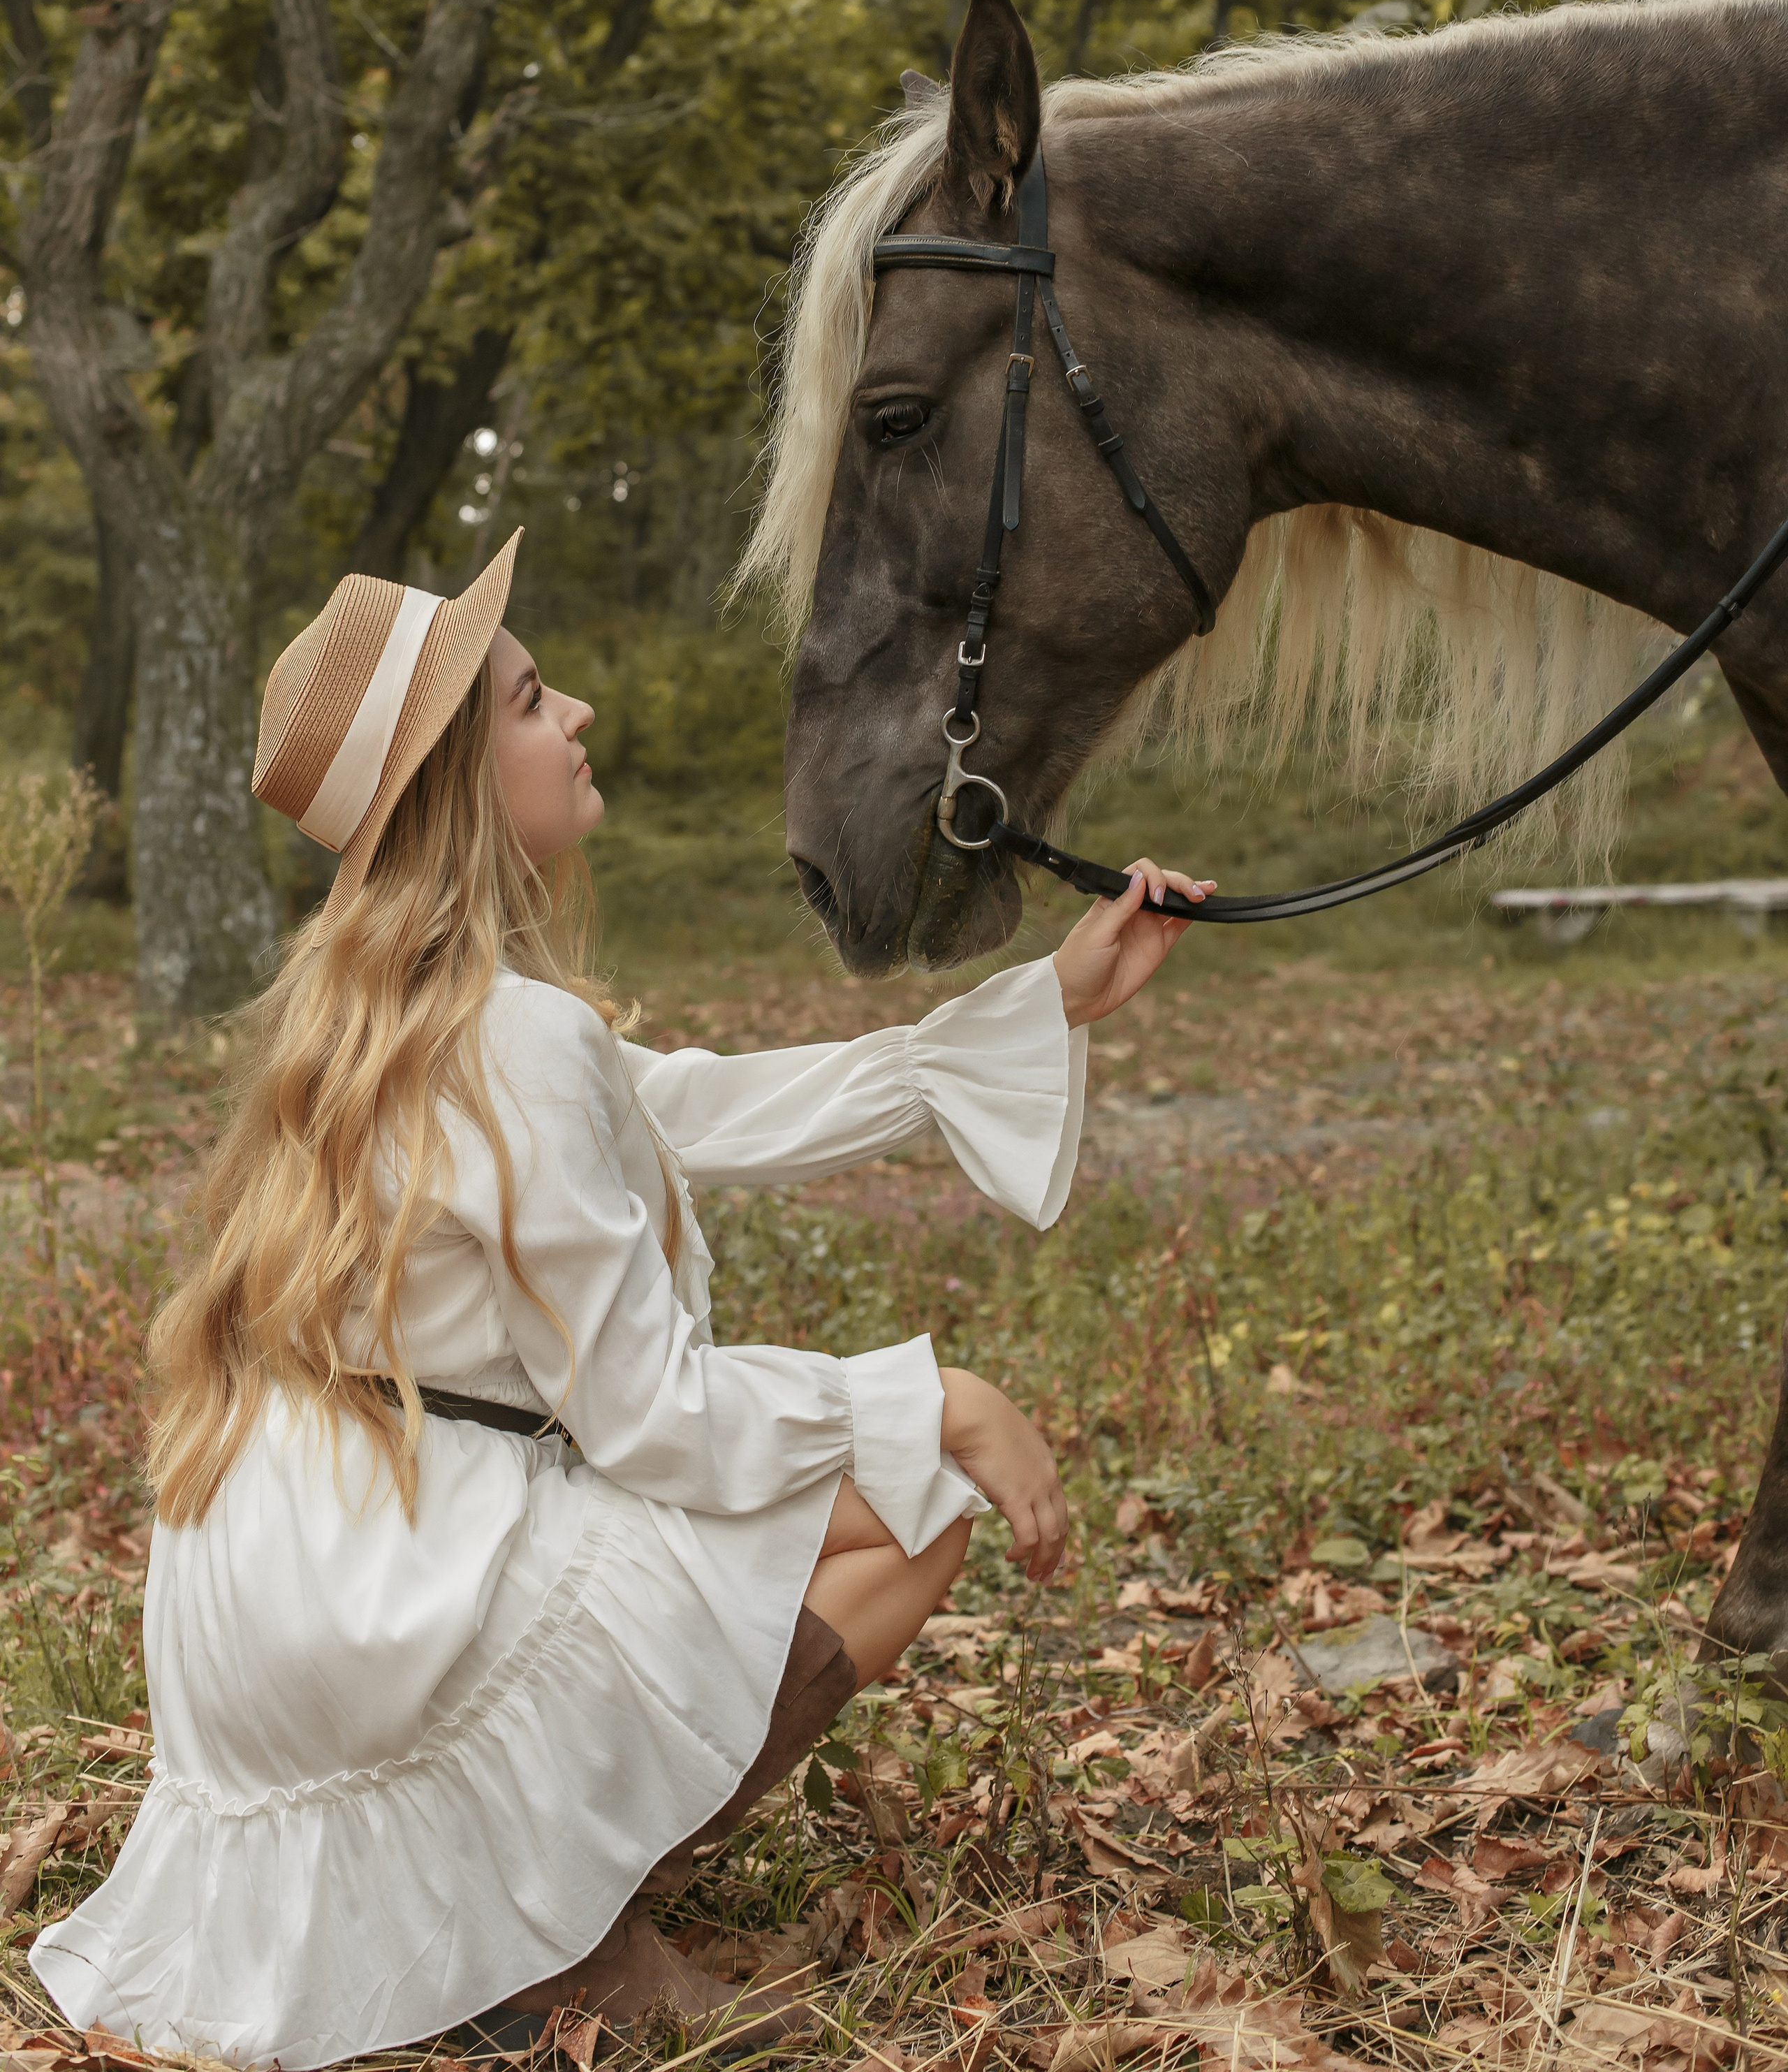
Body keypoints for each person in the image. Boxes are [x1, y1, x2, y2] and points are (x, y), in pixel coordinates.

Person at [31, 534, 1211, 2069]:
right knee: (921, 1491)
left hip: (302, 1585)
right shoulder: (503, 1038)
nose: (574, 709)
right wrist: (925, 1398)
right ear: (462, 783)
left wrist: (1036, 999)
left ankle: (519, 1912)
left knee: (874, 1489)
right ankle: (564, 1947)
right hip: (394, 1589)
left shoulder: (377, 1006)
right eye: (529, 700)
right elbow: (649, 1416)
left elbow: (690, 1110)